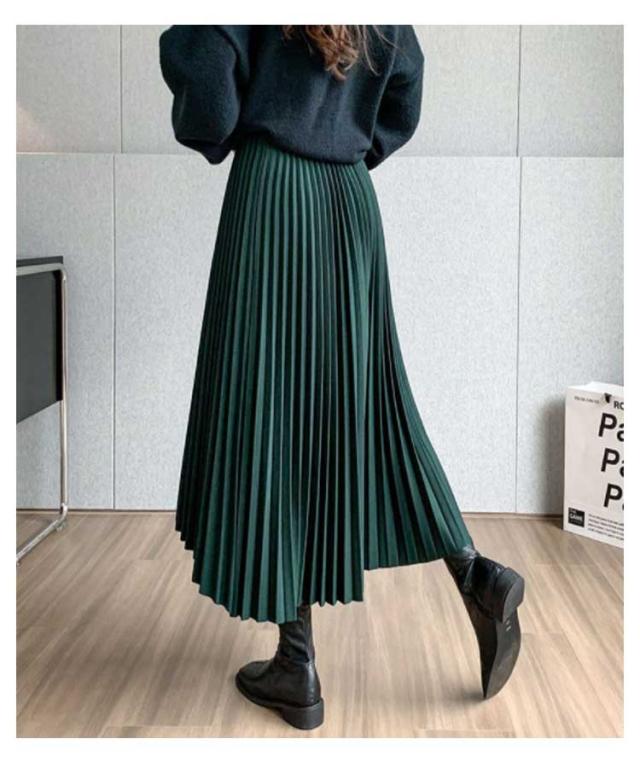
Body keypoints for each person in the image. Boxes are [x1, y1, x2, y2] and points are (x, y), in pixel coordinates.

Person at [159, 24, 525, 731]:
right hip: (350, 204)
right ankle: (477, 574)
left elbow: (209, 100)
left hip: (272, 200)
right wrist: (346, 138)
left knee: (276, 416)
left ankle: (297, 664)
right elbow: (406, 88)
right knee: (375, 406)